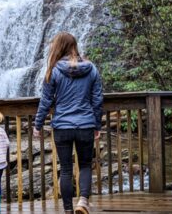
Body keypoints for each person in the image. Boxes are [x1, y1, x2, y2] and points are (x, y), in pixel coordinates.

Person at [33, 32, 103, 214]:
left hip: (62, 126)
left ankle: (68, 211)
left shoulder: (54, 70)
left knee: (65, 169)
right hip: (86, 124)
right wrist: (97, 125)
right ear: (74, 46)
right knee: (86, 165)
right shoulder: (91, 68)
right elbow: (97, 100)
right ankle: (83, 202)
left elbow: (46, 101)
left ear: (59, 47)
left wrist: (37, 124)